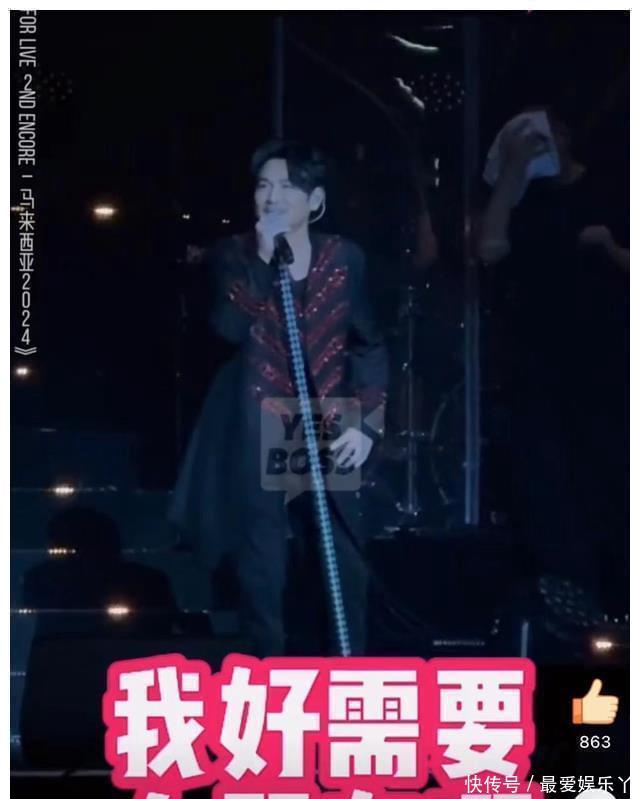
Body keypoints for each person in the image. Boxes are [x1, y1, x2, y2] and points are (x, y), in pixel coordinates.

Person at [169, 140, 389, 656]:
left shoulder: (343, 258)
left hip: (327, 415)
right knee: (262, 562)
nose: (272, 197)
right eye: (264, 185)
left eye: (287, 186)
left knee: (343, 559)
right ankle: (268, 675)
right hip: (258, 412)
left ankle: (346, 674)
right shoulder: (234, 254)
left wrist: (367, 422)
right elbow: (227, 328)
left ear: (315, 201)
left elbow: (370, 342)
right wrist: (266, 259)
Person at [477, 107, 629, 610]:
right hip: (538, 362)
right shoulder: (527, 199)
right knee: (545, 483)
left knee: (606, 475)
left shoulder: (610, 186)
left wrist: (611, 248)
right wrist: (514, 172)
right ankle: (568, 599)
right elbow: (489, 247)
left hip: (606, 361)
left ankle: (616, 598)